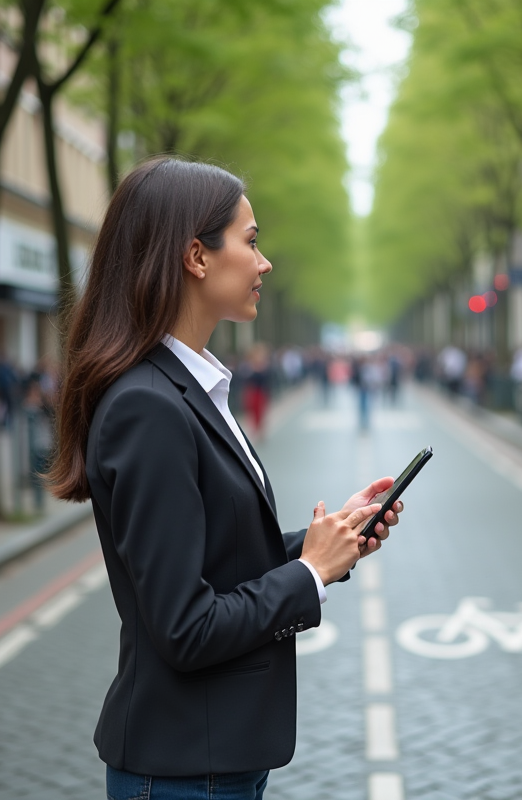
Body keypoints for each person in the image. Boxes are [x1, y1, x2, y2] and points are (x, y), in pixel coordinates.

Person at [46, 158, 405, 800]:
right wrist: (309, 575)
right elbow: (186, 627)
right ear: (196, 256)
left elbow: (219, 556)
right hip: (185, 770)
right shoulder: (149, 406)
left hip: (210, 758)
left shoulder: (187, 388)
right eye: (251, 240)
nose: (264, 263)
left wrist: (325, 542)